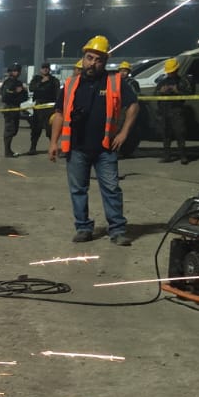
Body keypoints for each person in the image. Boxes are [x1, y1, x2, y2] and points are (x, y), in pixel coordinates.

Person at [48, 35, 140, 246]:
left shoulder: (116, 82)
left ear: (105, 61)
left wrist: (124, 133)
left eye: (98, 60)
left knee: (111, 188)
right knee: (78, 189)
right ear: (84, 58)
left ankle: (117, 230)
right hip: (77, 148)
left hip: (105, 148)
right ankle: (83, 228)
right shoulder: (70, 85)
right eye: (90, 58)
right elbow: (60, 114)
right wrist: (54, 142)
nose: (93, 63)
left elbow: (134, 106)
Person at [153, 58, 196, 163]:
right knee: (166, 134)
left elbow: (190, 94)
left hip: (177, 110)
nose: (170, 74)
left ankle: (183, 156)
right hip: (164, 111)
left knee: (180, 133)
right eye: (169, 72)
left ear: (176, 70)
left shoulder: (183, 81)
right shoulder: (163, 82)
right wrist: (161, 92)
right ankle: (167, 156)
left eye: (172, 72)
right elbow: (155, 95)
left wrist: (178, 91)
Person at [28, 62, 59, 154]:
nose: (45, 69)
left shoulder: (54, 80)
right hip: (39, 106)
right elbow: (31, 88)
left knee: (50, 129)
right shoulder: (36, 79)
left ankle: (53, 147)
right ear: (41, 69)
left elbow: (58, 93)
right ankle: (33, 148)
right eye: (43, 68)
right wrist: (41, 82)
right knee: (36, 128)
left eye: (47, 68)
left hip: (50, 107)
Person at [0, 63, 28, 157]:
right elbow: (5, 97)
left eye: (18, 71)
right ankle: (7, 151)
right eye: (15, 71)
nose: (17, 72)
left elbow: (24, 97)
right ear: (10, 72)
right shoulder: (8, 82)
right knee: (9, 130)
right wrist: (16, 92)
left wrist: (21, 92)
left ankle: (8, 150)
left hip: (16, 108)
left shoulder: (18, 82)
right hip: (9, 108)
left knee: (14, 130)